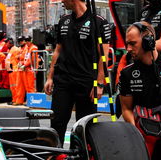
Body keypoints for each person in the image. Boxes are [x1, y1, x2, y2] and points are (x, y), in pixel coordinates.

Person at [43, 0, 111, 145]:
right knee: (57, 124)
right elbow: (57, 51)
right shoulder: (63, 21)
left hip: (86, 83)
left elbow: (103, 56)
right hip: (63, 81)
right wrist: (50, 77)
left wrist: (99, 84)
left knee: (85, 128)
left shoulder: (99, 22)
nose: (61, 1)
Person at [118, 21, 161, 160]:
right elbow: (126, 109)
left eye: (132, 43)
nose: (128, 48)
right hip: (142, 135)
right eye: (127, 43)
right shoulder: (127, 73)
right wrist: (135, 134)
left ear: (149, 41)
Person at [15, 35, 38, 105]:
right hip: (26, 69)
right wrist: (21, 64)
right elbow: (25, 59)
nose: (27, 42)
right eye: (26, 40)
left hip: (30, 70)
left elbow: (32, 60)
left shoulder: (33, 48)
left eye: (28, 40)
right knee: (27, 86)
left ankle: (32, 102)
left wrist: (24, 65)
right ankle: (28, 101)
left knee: (30, 87)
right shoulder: (28, 48)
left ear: (31, 40)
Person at [5, 38, 20, 104]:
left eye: (7, 43)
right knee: (12, 87)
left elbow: (18, 59)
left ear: (10, 43)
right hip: (10, 71)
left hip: (14, 70)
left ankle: (17, 100)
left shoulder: (15, 49)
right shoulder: (10, 50)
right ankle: (14, 100)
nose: (5, 44)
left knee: (15, 86)